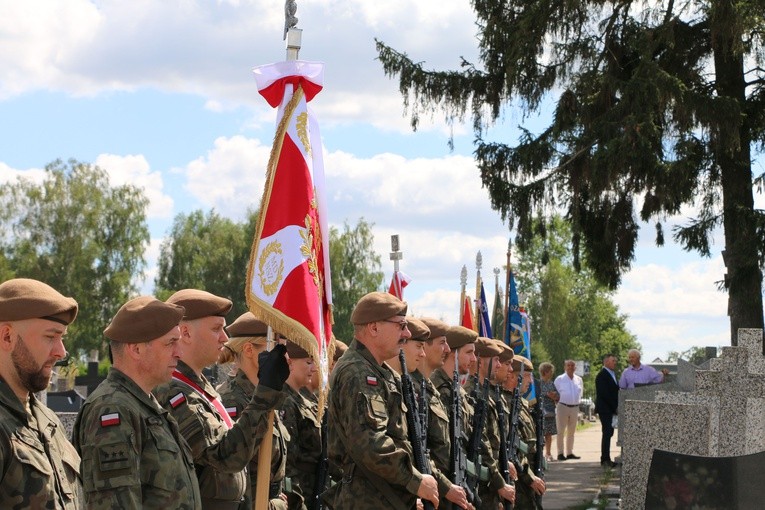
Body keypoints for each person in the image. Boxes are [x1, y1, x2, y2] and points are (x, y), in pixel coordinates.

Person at [154, 289, 289, 509]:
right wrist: (266, 392)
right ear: (185, 333)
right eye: (216, 329)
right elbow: (226, 457)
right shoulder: (173, 392)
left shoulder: (201, 390)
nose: (225, 338)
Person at [73, 295, 201, 508]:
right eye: (171, 343)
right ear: (136, 349)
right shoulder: (113, 409)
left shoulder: (144, 404)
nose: (179, 353)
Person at [326, 291, 439, 509]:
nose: (406, 333)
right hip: (367, 499)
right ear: (374, 328)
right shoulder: (357, 372)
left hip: (384, 495)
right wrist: (414, 481)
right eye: (400, 325)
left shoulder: (379, 371)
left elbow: (397, 438)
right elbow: (370, 443)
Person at [0, 278, 82, 508]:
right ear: (7, 336)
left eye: (62, 338)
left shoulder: (47, 420)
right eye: (50, 336)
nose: (61, 352)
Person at [388, 317, 471, 510]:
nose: (448, 349)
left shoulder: (428, 388)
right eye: (442, 343)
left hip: (438, 489)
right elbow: (411, 448)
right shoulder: (410, 389)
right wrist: (444, 486)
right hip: (426, 489)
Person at [216, 311, 292, 509]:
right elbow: (234, 476)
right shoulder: (231, 400)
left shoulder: (263, 397)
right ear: (249, 350)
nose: (286, 357)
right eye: (276, 348)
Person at [464, 337, 515, 509]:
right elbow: (482, 443)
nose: (500, 365)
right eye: (495, 360)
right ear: (480, 361)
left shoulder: (485, 393)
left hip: (490, 481)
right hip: (482, 482)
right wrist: (499, 482)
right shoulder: (472, 393)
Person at [281, 339, 320, 509]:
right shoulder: (286, 401)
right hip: (299, 496)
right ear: (290, 363)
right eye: (308, 362)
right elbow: (288, 466)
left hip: (313, 491)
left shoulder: (305, 401)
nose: (315, 368)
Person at [504, 354, 546, 509]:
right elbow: (515, 447)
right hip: (520, 478)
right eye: (526, 376)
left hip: (530, 472)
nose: (530, 381)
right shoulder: (507, 404)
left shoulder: (522, 403)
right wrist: (530, 478)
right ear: (512, 376)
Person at [553, 359, 583, 460]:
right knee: (560, 431)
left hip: (574, 407)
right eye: (568, 365)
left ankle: (569, 453)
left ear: (575, 367)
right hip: (563, 406)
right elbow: (555, 393)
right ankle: (560, 453)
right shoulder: (559, 379)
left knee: (571, 432)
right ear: (565, 367)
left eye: (572, 365)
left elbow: (580, 393)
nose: (570, 367)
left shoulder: (579, 379)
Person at [595, 354, 619, 468]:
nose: (615, 362)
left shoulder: (613, 374)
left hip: (610, 409)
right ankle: (605, 459)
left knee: (609, 433)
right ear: (606, 362)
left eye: (615, 360)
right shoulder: (602, 375)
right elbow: (605, 394)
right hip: (605, 409)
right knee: (607, 433)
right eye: (613, 360)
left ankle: (606, 458)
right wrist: (615, 407)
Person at [537, 362, 558, 463]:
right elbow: (537, 395)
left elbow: (557, 396)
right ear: (545, 372)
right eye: (550, 371)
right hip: (541, 411)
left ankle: (548, 453)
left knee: (549, 433)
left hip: (550, 411)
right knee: (541, 433)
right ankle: (540, 455)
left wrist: (555, 396)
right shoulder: (538, 383)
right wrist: (547, 394)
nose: (552, 373)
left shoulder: (551, 383)